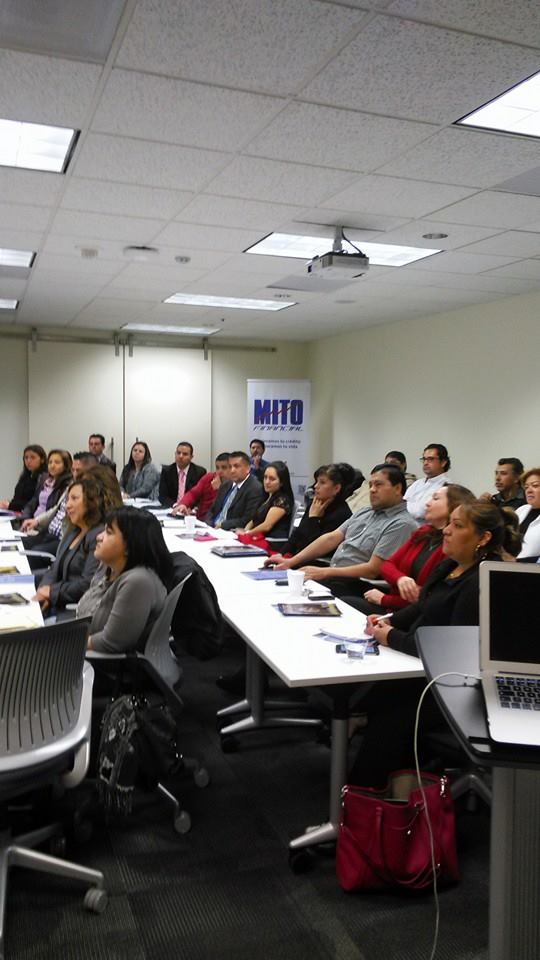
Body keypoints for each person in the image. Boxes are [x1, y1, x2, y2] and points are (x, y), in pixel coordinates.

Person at [348, 501, 522, 786]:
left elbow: (450, 648)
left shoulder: (481, 580)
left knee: (390, 717)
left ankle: (368, 798)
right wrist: (389, 620)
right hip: (425, 666)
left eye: (457, 525)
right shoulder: (450, 566)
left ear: (483, 538)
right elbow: (423, 606)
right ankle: (385, 785)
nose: (446, 530)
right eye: (449, 522)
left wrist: (391, 637)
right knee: (369, 695)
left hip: (458, 686)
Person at [274, 463, 417, 598]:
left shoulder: (401, 524)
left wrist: (325, 572)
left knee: (293, 595)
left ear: (397, 488)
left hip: (359, 585)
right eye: (370, 485)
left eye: (378, 485)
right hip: (335, 576)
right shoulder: (365, 512)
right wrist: (290, 561)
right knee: (281, 588)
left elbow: (373, 570)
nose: (372, 490)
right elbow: (331, 538)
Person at [347, 483, 476, 615]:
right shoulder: (423, 532)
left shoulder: (452, 548)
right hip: (395, 607)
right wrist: (400, 578)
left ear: (454, 506)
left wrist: (385, 599)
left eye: (436, 498)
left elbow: (427, 599)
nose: (427, 503)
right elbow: (387, 565)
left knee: (347, 603)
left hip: (411, 613)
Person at [77, 506, 173, 654]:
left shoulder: (138, 582)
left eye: (108, 532)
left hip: (98, 662)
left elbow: (111, 642)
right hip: (80, 647)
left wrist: (62, 644)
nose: (99, 537)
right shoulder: (109, 568)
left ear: (129, 546)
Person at [32, 474, 106, 611]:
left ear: (91, 502)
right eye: (67, 500)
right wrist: (44, 591)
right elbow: (54, 568)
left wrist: (52, 592)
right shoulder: (73, 531)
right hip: (57, 600)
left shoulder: (98, 536)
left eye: (74, 498)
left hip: (74, 610)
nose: (68, 505)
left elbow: (87, 583)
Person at [266, 463, 355, 561]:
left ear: (336, 488)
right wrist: (280, 554)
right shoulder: (315, 504)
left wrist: (313, 518)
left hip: (317, 562)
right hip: (298, 558)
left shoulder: (341, 513)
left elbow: (313, 547)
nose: (315, 486)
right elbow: (297, 534)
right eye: (316, 481)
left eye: (322, 482)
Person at [207, 451, 264, 530]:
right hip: (212, 529)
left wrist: (222, 525)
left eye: (236, 466)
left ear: (248, 469)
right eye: (230, 467)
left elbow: (248, 519)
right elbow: (212, 510)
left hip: (230, 531)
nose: (232, 470)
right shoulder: (226, 484)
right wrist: (208, 524)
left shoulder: (255, 488)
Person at [241, 460, 294, 541]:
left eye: (272, 479)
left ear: (281, 482)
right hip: (258, 537)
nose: (267, 482)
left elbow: (266, 526)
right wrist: (245, 531)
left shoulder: (282, 500)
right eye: (265, 477)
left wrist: (247, 534)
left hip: (271, 541)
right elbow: (253, 520)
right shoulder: (265, 497)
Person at [172, 453, 231, 521]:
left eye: (224, 468)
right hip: (200, 519)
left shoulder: (234, 484)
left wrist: (219, 490)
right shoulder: (209, 477)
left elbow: (220, 510)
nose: (219, 471)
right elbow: (193, 493)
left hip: (215, 521)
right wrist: (183, 504)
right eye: (217, 468)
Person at [20, 449, 72, 523]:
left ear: (65, 465)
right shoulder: (45, 480)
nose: (52, 466)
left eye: (57, 462)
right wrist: (25, 518)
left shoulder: (67, 485)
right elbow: (33, 502)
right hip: (32, 521)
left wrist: (36, 522)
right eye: (50, 462)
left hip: (45, 524)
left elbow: (54, 512)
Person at [404, 443, 452, 521]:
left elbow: (420, 512)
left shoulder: (446, 486)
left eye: (431, 459)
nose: (425, 463)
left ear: (443, 462)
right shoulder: (418, 483)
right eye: (424, 459)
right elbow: (402, 503)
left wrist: (408, 506)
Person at [159, 442, 207, 508]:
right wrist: (176, 506)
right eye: (178, 453)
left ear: (191, 457)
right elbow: (162, 496)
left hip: (190, 509)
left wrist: (192, 508)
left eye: (185, 454)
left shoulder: (199, 472)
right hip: (172, 508)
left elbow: (201, 497)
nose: (180, 456)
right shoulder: (167, 471)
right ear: (175, 454)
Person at [0, 444, 47, 512]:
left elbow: (35, 503)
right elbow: (17, 498)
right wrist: (8, 503)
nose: (28, 461)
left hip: (30, 514)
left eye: (33, 457)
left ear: (42, 460)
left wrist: (11, 505)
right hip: (15, 511)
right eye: (26, 458)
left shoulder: (43, 479)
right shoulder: (25, 477)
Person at [516, 468, 540, 561]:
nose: (529, 490)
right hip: (508, 565)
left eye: (535, 485)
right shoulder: (521, 510)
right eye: (526, 487)